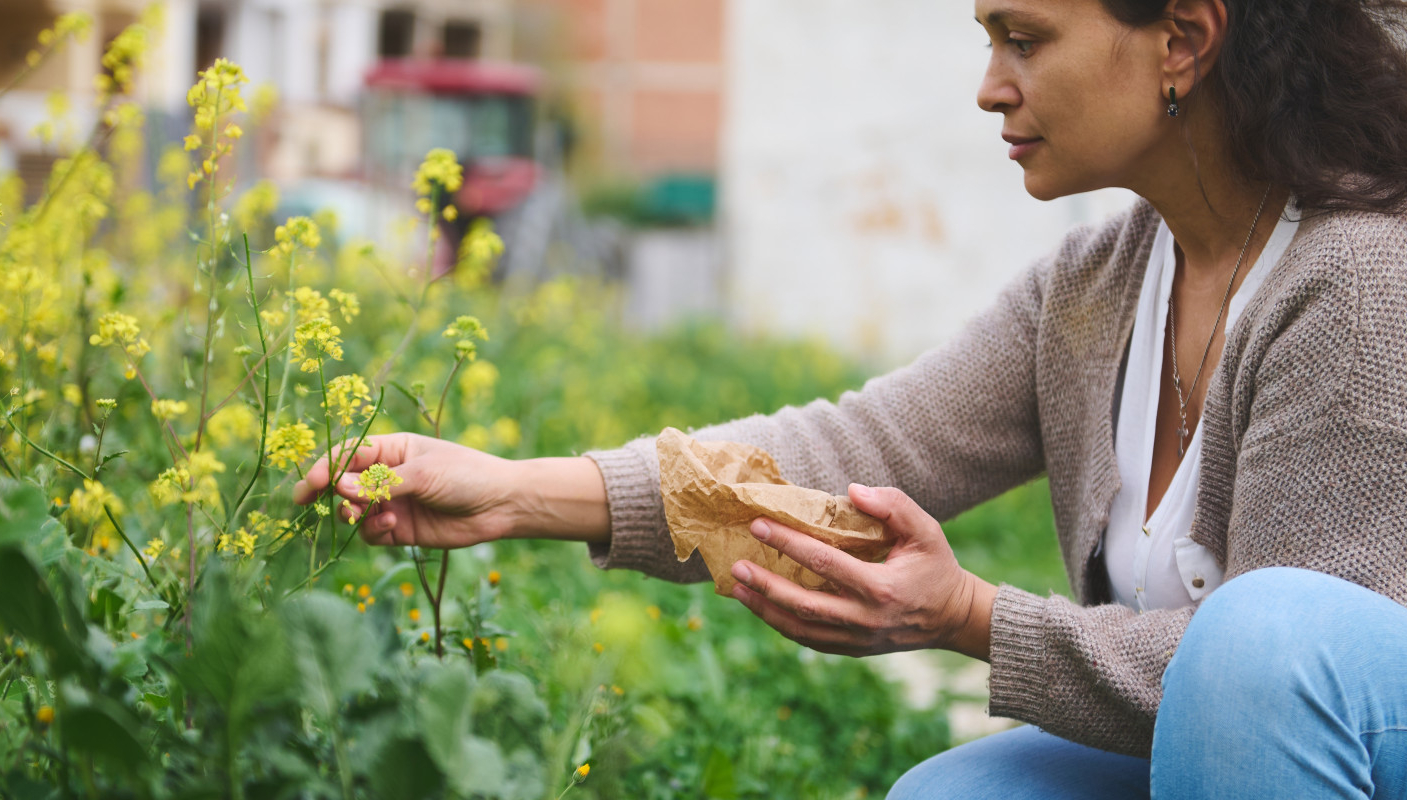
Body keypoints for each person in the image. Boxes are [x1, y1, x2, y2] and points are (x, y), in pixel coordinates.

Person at [296, 0, 1407, 795]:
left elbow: (1272, 683)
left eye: (1024, 38)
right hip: (1197, 743)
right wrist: (517, 494)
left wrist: (968, 616)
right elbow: (857, 444)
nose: (990, 85)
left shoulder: (1353, 280)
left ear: (1184, 39)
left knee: (1257, 642)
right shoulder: (1099, 286)